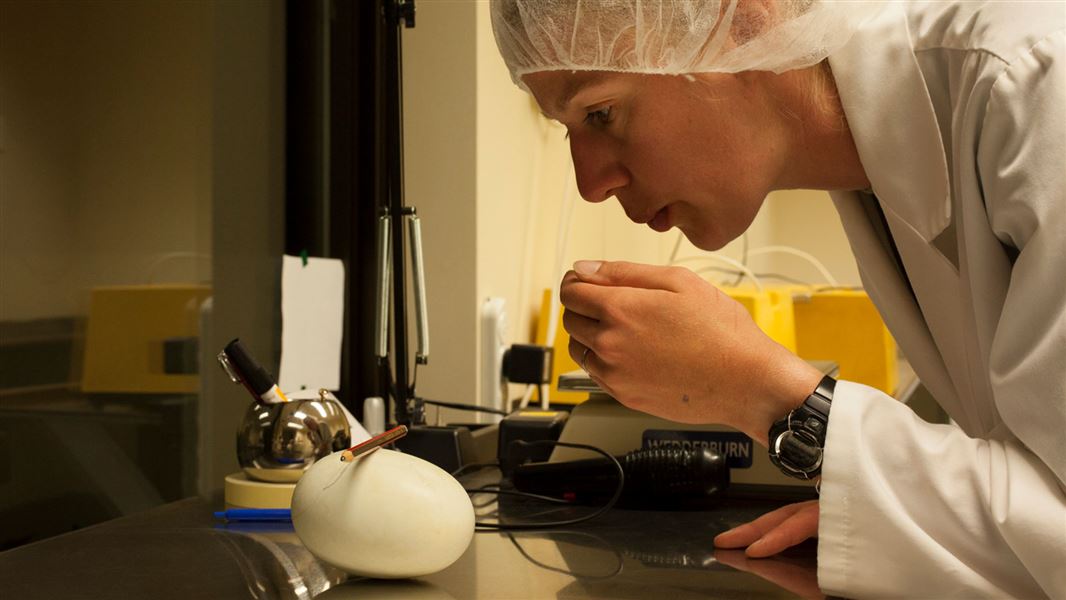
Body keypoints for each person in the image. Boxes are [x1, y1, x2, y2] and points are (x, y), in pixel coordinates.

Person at [490, 1, 1065, 597]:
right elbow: (1039, 504)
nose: (589, 183)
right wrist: (894, 518)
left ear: (743, 18)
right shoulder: (880, 169)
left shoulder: (1038, 80)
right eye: (567, 129)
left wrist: (758, 388)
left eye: (601, 112)